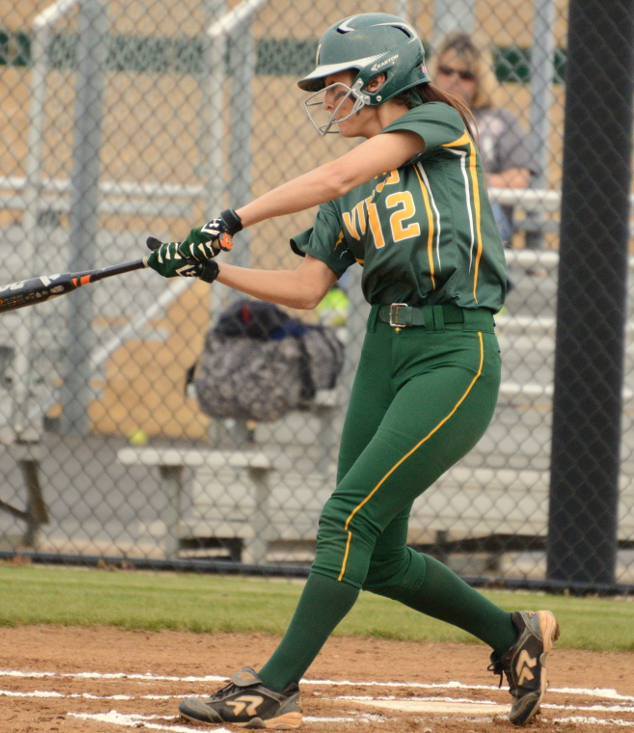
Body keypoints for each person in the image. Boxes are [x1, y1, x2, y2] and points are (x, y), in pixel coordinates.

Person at [145, 14, 558, 729]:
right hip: (383, 350)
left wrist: (230, 216)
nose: (329, 98)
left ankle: (274, 685)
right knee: (381, 555)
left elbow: (341, 170)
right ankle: (511, 634)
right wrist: (215, 268)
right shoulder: (346, 196)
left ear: (379, 79)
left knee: (345, 517)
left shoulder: (436, 123)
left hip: (454, 350)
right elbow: (308, 289)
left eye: (338, 84)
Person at [432, 32, 535, 245]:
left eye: (466, 75)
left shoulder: (501, 121)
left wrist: (466, 181)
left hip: (480, 208)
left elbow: (519, 178)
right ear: (435, 71)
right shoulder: (415, 115)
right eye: (447, 71)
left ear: (480, 79)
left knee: (481, 209)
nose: (454, 80)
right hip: (426, 204)